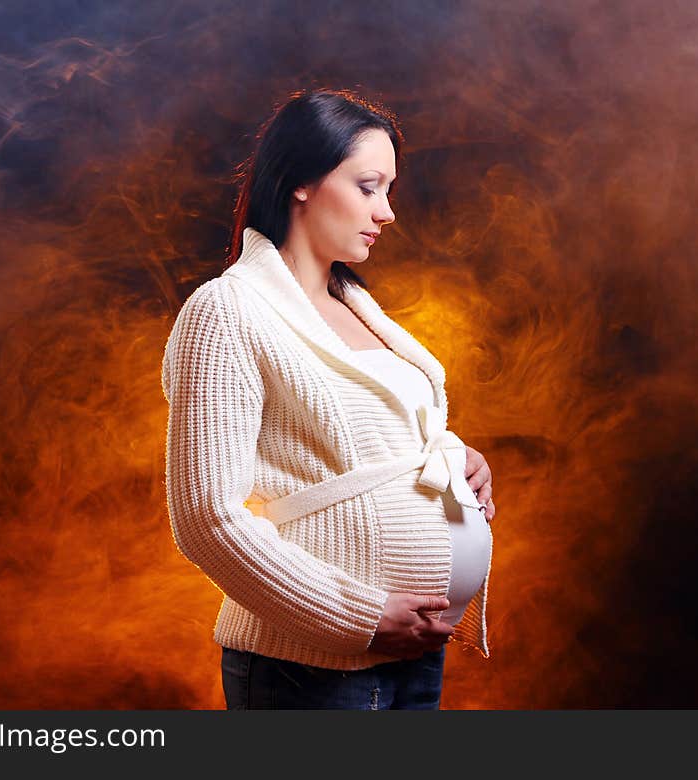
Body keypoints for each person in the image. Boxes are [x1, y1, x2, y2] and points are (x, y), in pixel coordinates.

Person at [160, 88, 496, 710]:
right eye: (369, 186)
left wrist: (454, 464)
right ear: (302, 182)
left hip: (415, 657)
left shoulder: (356, 306)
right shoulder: (226, 311)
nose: (388, 212)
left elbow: (361, 444)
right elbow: (207, 520)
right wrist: (360, 616)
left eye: (389, 190)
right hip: (312, 668)